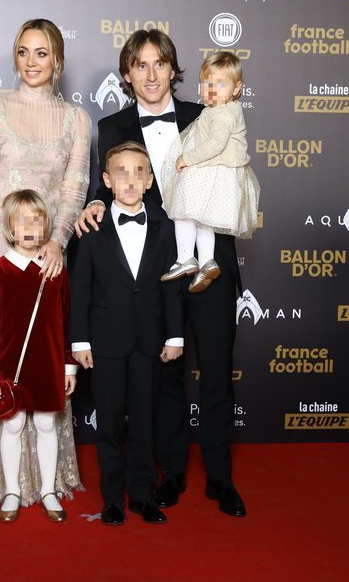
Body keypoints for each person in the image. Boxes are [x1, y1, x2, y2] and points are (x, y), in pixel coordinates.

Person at [74, 29, 246, 517]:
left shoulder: (204, 114)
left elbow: (233, 171)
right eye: (139, 65)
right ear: (127, 75)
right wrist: (91, 203)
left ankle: (220, 478)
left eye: (159, 64)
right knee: (164, 378)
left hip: (210, 263)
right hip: (152, 274)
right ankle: (170, 473)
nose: (151, 75)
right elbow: (104, 185)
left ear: (174, 69)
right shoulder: (111, 126)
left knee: (215, 374)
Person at [0, 19, 90, 508]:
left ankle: (44, 483)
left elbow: (73, 192)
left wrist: (61, 240)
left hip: (45, 257)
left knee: (43, 360)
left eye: (43, 53)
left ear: (58, 61)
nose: (32, 62)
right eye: (24, 52)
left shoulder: (77, 120)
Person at [69, 142, 183, 526]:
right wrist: (80, 340)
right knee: (110, 423)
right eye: (121, 171)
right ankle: (112, 500)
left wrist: (175, 336)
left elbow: (171, 286)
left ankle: (142, 495)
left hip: (150, 341)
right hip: (106, 342)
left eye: (138, 172)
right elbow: (80, 288)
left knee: (145, 423)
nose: (130, 180)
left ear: (150, 181)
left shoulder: (165, 228)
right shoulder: (92, 229)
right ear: (106, 180)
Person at [0, 190, 78, 522]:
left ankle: (48, 491)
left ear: (46, 224)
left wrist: (69, 367)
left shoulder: (56, 268)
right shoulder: (0, 269)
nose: (30, 226)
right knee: (13, 423)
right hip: (11, 364)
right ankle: (12, 491)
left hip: (48, 361)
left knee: (47, 423)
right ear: (9, 227)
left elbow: (67, 319)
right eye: (21, 220)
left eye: (36, 219)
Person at [158, 51, 260, 293]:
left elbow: (215, 144)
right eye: (207, 83)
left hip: (212, 172)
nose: (212, 89)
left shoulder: (224, 113)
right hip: (221, 174)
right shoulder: (219, 109)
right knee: (204, 221)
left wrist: (187, 158)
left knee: (182, 213)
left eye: (220, 84)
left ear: (236, 89)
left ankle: (185, 258)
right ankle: (206, 261)